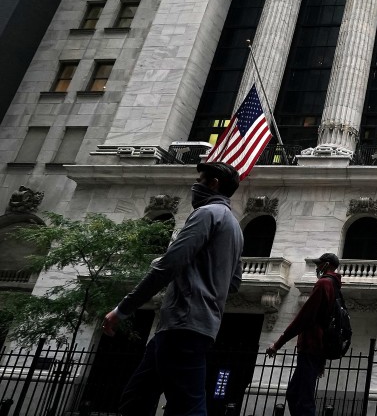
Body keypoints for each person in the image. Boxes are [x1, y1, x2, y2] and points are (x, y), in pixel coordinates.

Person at [103, 161, 244, 416]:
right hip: (194, 325)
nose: (195, 187)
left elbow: (168, 266)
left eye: (200, 181)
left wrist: (122, 310)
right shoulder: (236, 228)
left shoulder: (206, 213)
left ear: (213, 184)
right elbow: (233, 283)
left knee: (188, 406)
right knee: (136, 397)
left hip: (183, 323)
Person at [265, 253, 343, 416]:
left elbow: (304, 318)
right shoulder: (335, 286)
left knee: (303, 398)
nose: (316, 267)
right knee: (294, 394)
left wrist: (277, 344)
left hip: (310, 346)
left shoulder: (323, 284)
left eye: (319, 264)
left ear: (326, 264)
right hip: (317, 348)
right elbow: (327, 321)